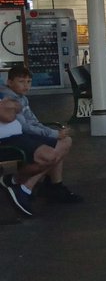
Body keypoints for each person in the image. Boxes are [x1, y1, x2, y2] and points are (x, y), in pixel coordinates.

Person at [0, 68, 78, 217]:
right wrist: (53, 133)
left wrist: (51, 132)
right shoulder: (7, 95)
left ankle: (46, 186)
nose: (26, 86)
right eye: (21, 81)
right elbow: (16, 121)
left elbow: (31, 120)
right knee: (51, 153)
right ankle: (20, 185)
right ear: (9, 82)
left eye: (28, 82)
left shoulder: (20, 98)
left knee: (63, 142)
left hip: (20, 135)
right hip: (12, 138)